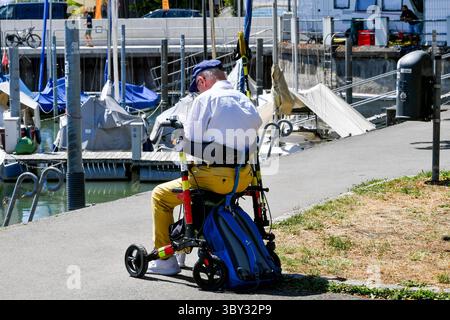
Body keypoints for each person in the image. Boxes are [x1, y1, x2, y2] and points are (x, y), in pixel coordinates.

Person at [148, 59, 262, 275]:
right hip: (244, 177)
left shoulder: (205, 100)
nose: (197, 91)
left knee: (160, 196)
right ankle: (186, 241)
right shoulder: (244, 99)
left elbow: (190, 141)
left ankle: (165, 259)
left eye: (197, 87)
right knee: (200, 188)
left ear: (202, 81)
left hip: (216, 178)